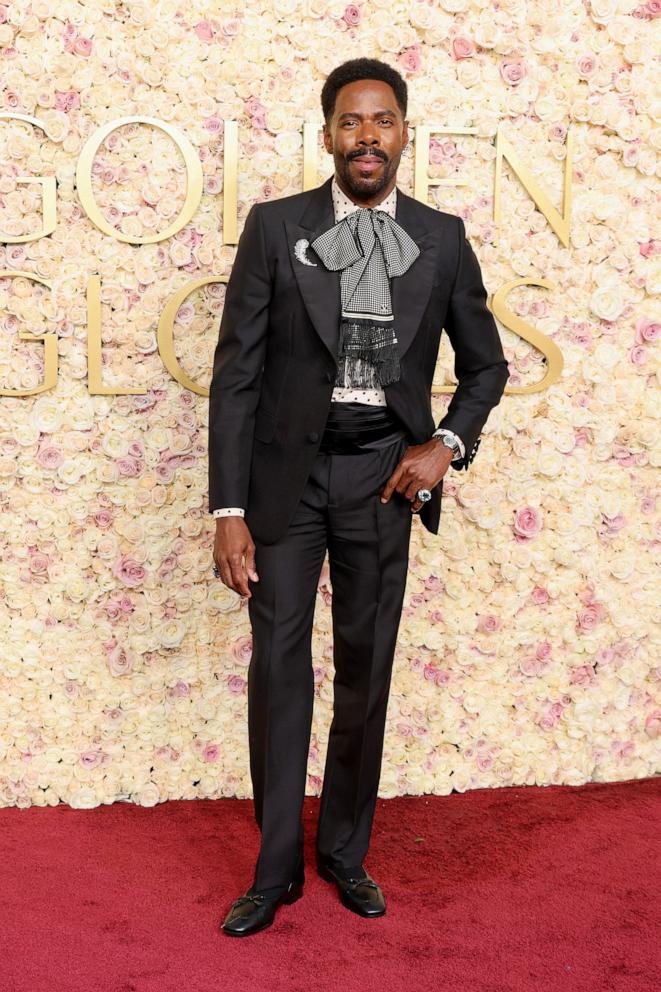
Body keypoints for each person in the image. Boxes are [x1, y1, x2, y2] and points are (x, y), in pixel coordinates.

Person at [208, 57, 509, 937]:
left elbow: (486, 365)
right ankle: (274, 873)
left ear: (405, 132)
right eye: (350, 122)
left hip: (382, 479)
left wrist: (443, 445)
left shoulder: (443, 239)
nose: (366, 136)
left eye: (382, 121)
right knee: (278, 666)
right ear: (327, 133)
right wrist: (228, 509)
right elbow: (236, 378)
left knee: (365, 668)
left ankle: (343, 851)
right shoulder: (274, 228)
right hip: (284, 483)